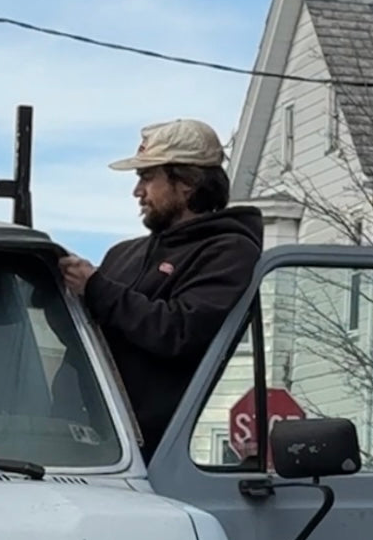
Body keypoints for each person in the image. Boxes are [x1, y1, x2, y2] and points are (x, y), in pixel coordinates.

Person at [58, 119, 264, 459]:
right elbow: (87, 340)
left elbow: (178, 332)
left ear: (187, 183)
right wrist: (60, 296)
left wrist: (95, 287)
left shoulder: (230, 252)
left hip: (160, 461)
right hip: (82, 448)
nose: (137, 192)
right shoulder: (122, 254)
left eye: (147, 177)